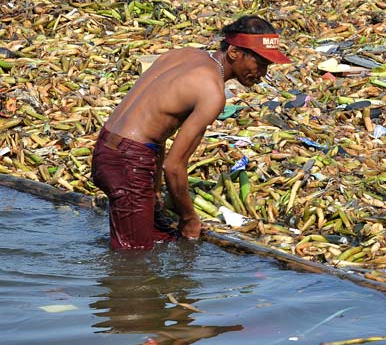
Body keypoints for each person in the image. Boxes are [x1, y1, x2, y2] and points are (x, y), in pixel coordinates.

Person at [91, 16, 292, 250]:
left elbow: (158, 133)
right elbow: (174, 166)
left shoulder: (182, 55)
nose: (262, 73)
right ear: (235, 52)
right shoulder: (212, 92)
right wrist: (188, 218)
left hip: (106, 148)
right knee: (133, 258)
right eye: (260, 63)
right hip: (129, 164)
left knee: (156, 238)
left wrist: (155, 189)